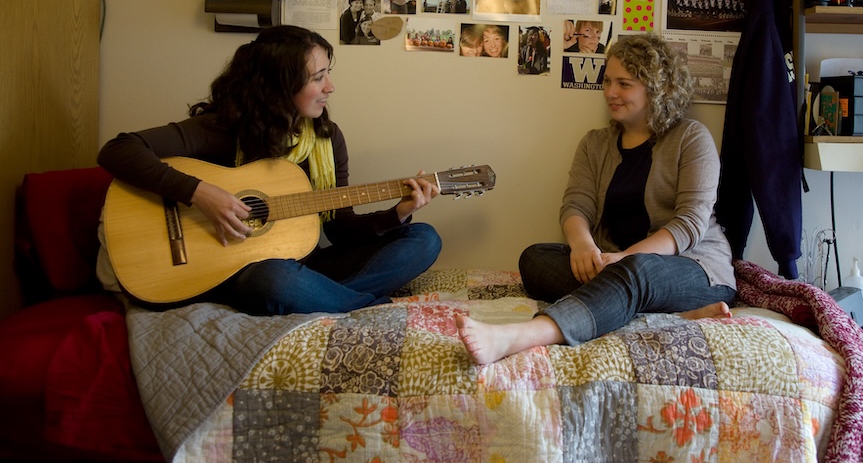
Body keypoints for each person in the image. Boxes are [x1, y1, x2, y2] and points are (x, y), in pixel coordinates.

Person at [96, 26, 441, 316]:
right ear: (280, 85)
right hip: (239, 272)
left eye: (327, 74)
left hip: (303, 263)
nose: (330, 87)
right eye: (318, 77)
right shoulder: (224, 129)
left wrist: (398, 213)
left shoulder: (326, 138)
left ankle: (330, 301)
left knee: (423, 239)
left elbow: (339, 229)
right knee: (274, 279)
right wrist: (201, 193)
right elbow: (119, 149)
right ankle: (366, 309)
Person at [456, 34, 736, 364]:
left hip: (694, 267)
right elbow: (576, 205)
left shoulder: (691, 138)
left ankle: (521, 335)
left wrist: (626, 259)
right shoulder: (595, 144)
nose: (610, 93)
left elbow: (689, 225)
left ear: (656, 88)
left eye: (624, 84)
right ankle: (666, 314)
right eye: (607, 81)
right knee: (534, 260)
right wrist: (583, 246)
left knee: (637, 271)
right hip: (614, 264)